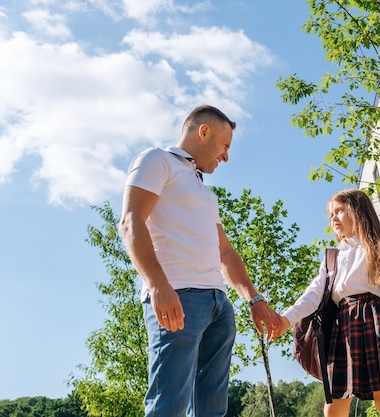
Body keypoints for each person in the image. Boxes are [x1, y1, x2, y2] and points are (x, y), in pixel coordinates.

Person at [119, 104, 282, 417]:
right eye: (225, 146)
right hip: (178, 297)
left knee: (211, 409)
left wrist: (254, 299)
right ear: (203, 131)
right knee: (169, 405)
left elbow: (225, 252)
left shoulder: (204, 191)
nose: (226, 156)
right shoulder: (157, 160)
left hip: (218, 306)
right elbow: (130, 220)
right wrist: (158, 286)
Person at [273, 188, 380, 417]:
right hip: (343, 331)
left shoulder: (376, 249)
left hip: (374, 326)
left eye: (340, 210)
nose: (334, 217)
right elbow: (313, 294)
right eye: (331, 214)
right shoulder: (333, 257)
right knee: (334, 405)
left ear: (358, 211)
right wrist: (286, 319)